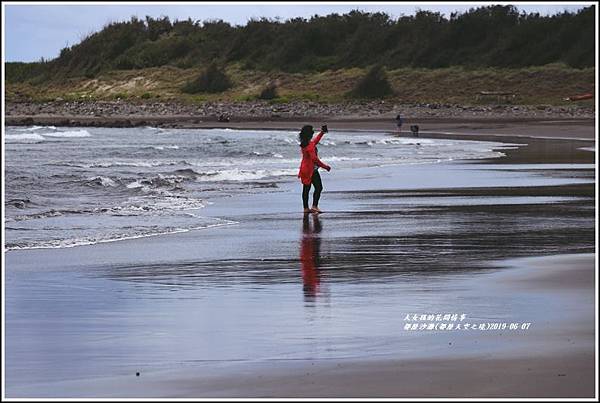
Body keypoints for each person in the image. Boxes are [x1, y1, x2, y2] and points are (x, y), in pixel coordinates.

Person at [297, 124, 331, 214]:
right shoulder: (310, 146)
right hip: (311, 171)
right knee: (319, 187)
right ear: (309, 135)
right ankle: (314, 206)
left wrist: (322, 133)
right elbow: (314, 159)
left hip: (304, 169)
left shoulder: (305, 144)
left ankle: (305, 208)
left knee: (306, 189)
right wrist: (325, 167)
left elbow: (315, 141)